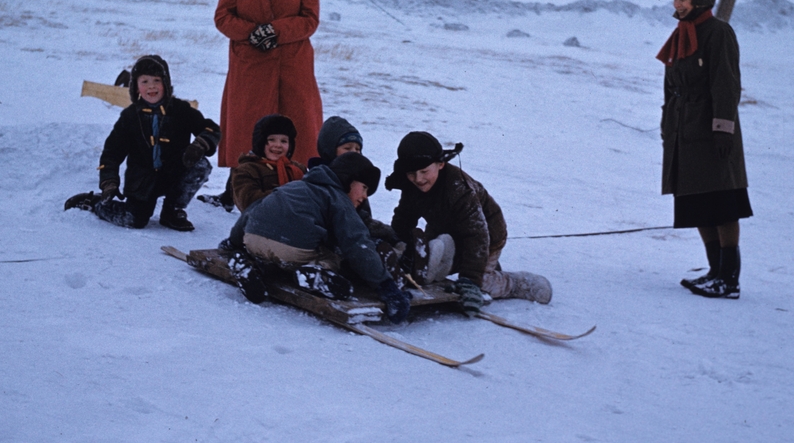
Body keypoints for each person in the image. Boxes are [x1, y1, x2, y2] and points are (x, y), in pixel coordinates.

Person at [226, 152, 410, 323]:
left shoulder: (295, 186)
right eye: (364, 188)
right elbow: (356, 243)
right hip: (294, 248)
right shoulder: (338, 198)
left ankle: (254, 264)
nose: (364, 196)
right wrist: (386, 286)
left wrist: (233, 242)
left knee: (277, 254)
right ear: (348, 179)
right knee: (335, 255)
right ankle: (316, 272)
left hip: (252, 237)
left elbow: (254, 209)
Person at [657, 0, 752, 299]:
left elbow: (725, 84)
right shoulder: (680, 34)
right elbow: (670, 88)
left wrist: (723, 128)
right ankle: (714, 272)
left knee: (723, 203)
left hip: (712, 133)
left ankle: (729, 279)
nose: (678, 4)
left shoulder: (718, 33)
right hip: (685, 132)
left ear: (699, 0)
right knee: (698, 203)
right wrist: (667, 125)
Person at [385, 131, 552, 311]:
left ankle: (516, 283)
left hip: (487, 236)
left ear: (441, 164)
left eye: (424, 171)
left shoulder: (459, 189)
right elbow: (404, 217)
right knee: (426, 268)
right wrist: (396, 244)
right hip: (444, 231)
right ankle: (481, 264)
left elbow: (477, 235)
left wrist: (470, 280)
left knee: (481, 282)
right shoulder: (412, 185)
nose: (418, 179)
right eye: (412, 173)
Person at [214, 0, 322, 187]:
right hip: (250, 66)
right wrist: (252, 33)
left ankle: (296, 182)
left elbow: (310, 20)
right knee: (247, 126)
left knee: (296, 123)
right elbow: (223, 17)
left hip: (292, 67)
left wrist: (274, 31)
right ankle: (237, 187)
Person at [65, 55, 220, 232]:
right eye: (144, 81)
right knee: (135, 220)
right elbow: (111, 153)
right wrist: (109, 182)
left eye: (157, 80)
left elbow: (211, 129)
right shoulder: (130, 117)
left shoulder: (181, 110)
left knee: (201, 166)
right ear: (136, 87)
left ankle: (172, 211)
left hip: (174, 171)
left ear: (166, 84)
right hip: (143, 181)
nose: (151, 86)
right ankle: (95, 203)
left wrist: (200, 144)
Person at [308, 115, 398, 243]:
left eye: (357, 149)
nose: (354, 153)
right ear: (330, 150)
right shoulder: (319, 179)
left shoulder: (357, 179)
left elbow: (363, 215)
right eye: (347, 148)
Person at [229, 113, 305, 212]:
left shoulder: (298, 169)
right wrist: (289, 194)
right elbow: (248, 202)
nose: (278, 145)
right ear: (260, 142)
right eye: (271, 140)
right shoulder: (247, 170)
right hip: (261, 224)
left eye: (284, 141)